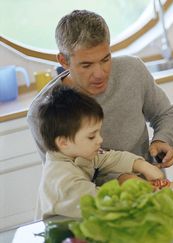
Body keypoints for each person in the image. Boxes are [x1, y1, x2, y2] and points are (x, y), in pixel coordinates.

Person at [27, 10, 173, 168]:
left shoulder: (132, 69)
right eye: (86, 65)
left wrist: (162, 139)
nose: (100, 74)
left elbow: (166, 114)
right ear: (63, 61)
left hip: (154, 186)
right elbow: (59, 178)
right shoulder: (41, 113)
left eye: (105, 59)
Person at [36, 86, 164, 219]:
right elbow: (101, 203)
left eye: (99, 132)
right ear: (63, 142)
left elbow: (109, 157)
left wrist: (142, 165)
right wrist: (133, 191)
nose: (100, 140)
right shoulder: (63, 181)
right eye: (92, 136)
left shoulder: (75, 153)